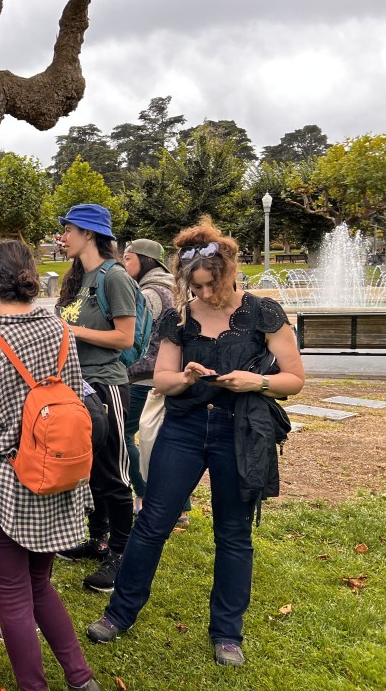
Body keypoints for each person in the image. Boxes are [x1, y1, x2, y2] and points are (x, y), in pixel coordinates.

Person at [87, 220, 304, 668]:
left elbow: (294, 379)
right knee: (153, 524)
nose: (205, 295)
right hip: (184, 429)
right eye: (196, 286)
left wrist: (257, 381)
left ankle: (227, 633)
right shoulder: (179, 316)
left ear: (229, 271)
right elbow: (162, 378)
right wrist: (183, 378)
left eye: (211, 285)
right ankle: (119, 613)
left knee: (233, 534)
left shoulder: (264, 312)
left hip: (238, 431)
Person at [0, 241, 101, 691]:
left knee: (12, 594)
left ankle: (34, 686)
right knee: (40, 584)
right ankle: (81, 678)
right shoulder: (60, 330)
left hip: (3, 480)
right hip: (59, 471)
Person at [54, 204, 137, 593]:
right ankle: (99, 538)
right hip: (77, 384)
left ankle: (122, 554)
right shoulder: (79, 277)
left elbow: (125, 338)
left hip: (106, 385)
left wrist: (71, 331)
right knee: (91, 469)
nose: (63, 237)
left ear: (89, 233)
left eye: (68, 229)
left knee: (113, 472)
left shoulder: (114, 277)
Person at [121, 238, 176, 515]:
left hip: (143, 376)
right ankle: (179, 509)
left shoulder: (150, 293)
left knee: (124, 435)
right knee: (162, 441)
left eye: (128, 258)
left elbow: (135, 336)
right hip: (163, 375)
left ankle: (143, 497)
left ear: (145, 260)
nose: (123, 263)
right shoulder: (169, 288)